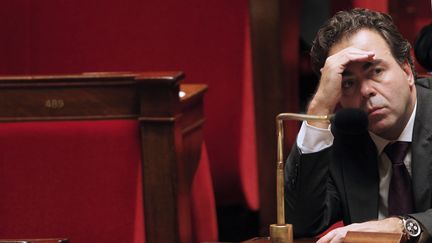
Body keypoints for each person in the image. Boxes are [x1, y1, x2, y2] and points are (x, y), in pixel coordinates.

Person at [284, 8, 432, 243]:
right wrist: (319, 108)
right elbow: (302, 221)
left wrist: (401, 226)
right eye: (348, 83)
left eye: (376, 71)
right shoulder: (342, 135)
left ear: (407, 71)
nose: (365, 91)